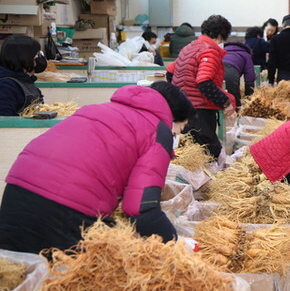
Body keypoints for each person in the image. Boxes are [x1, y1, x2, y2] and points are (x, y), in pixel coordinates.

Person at [0, 82, 196, 254]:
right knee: (67, 285)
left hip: (16, 194)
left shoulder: (98, 109)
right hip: (63, 210)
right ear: (173, 118)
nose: (177, 135)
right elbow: (141, 209)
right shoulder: (157, 130)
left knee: (19, 280)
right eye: (180, 129)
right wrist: (176, 245)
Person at [166, 14, 236, 159]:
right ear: (220, 35)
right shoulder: (209, 50)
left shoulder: (189, 47)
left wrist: (180, 97)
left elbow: (170, 72)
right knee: (208, 153)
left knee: (189, 154)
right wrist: (225, 102)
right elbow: (204, 81)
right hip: (199, 112)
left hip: (184, 109)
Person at [0, 34, 46, 116]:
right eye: (36, 53)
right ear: (25, 57)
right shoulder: (6, 86)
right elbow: (4, 121)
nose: (39, 57)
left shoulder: (26, 80)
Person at [223, 41, 256, 108]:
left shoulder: (221, 51)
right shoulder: (246, 55)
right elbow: (250, 77)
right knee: (235, 102)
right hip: (231, 71)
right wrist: (248, 98)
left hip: (217, 69)